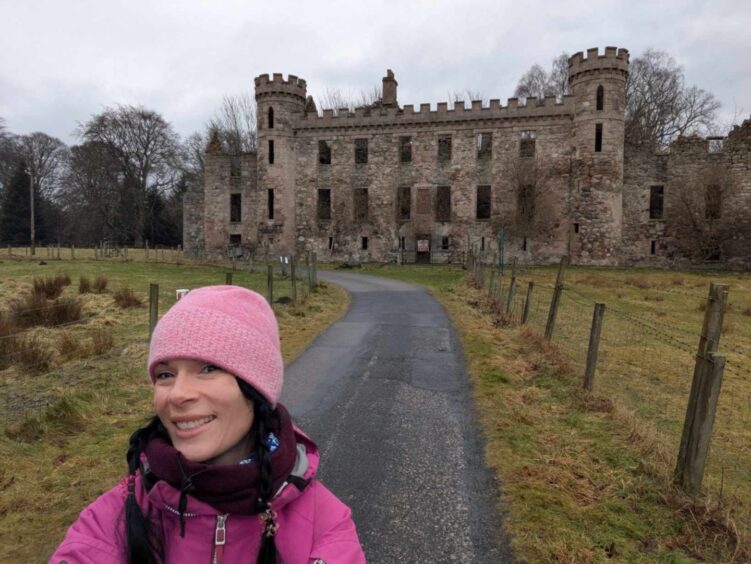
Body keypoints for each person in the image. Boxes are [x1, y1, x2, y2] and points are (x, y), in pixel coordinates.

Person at [51, 285, 365, 564]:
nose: (178, 394)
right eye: (165, 374)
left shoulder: (324, 525)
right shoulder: (112, 518)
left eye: (208, 368)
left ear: (255, 390)